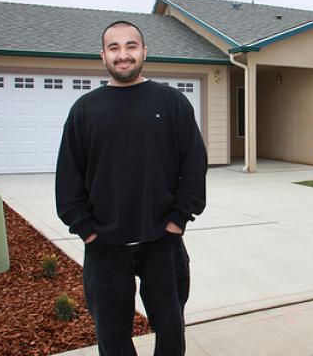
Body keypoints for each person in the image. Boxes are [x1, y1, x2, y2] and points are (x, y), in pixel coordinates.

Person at [55, 20, 207, 356]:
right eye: (114, 47)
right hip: (105, 247)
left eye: (131, 46)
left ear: (144, 52)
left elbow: (194, 166)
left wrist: (177, 221)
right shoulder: (85, 111)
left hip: (162, 243)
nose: (123, 55)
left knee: (170, 329)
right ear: (103, 56)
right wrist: (87, 231)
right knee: (111, 336)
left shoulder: (172, 103)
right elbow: (68, 178)